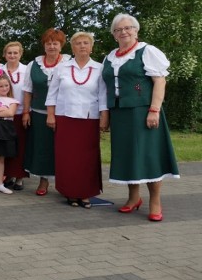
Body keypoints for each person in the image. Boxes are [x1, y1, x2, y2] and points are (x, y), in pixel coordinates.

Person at [101, 14, 179, 222]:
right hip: (120, 113)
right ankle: (133, 197)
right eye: (118, 30)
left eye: (128, 28)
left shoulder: (147, 51)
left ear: (136, 30)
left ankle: (155, 200)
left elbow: (159, 82)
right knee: (128, 155)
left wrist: (154, 110)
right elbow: (105, 88)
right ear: (114, 34)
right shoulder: (110, 57)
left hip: (143, 111)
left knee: (148, 155)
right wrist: (106, 114)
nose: (124, 32)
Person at [46, 32, 108, 208]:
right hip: (65, 117)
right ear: (72, 48)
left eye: (86, 43)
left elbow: (103, 95)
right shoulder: (62, 68)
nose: (82, 46)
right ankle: (70, 192)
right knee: (67, 157)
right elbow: (52, 94)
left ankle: (86, 193)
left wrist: (104, 117)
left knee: (87, 157)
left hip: (89, 119)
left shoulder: (99, 68)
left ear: (91, 46)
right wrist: (51, 115)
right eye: (78, 43)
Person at [22, 28, 70, 196]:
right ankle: (44, 181)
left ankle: (66, 181)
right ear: (44, 45)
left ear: (61, 45)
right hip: (39, 112)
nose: (51, 46)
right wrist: (26, 112)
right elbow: (27, 90)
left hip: (64, 113)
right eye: (48, 43)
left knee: (63, 148)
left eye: (55, 43)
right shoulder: (33, 64)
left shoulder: (69, 63)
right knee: (43, 148)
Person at [0, 42, 28, 190]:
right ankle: (8, 175)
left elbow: (29, 93)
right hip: (4, 114)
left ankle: (20, 177)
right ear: (4, 55)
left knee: (20, 146)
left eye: (15, 53)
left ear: (20, 54)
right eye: (9, 53)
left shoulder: (26, 70)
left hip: (20, 113)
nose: (12, 56)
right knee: (6, 146)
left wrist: (27, 112)